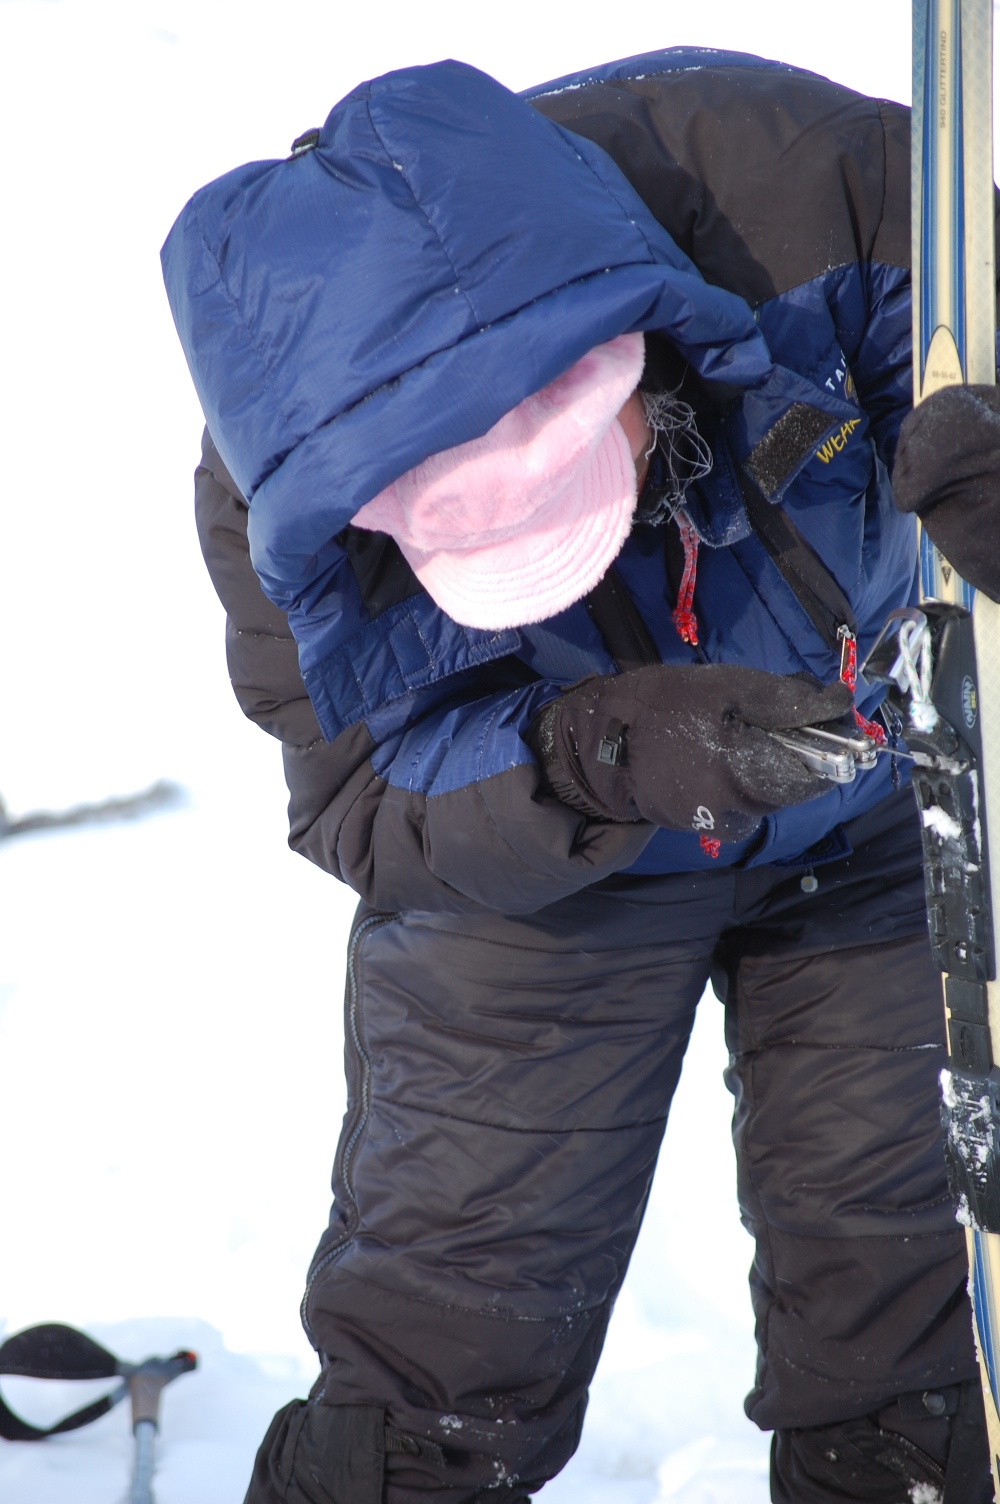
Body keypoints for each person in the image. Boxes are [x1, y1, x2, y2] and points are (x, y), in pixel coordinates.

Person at [161, 45, 1000, 1504]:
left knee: (908, 1312)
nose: (569, 557)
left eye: (575, 499)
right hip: (546, 878)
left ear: (630, 352)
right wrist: (593, 755)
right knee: (446, 1349)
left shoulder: (822, 191)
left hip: (868, 803)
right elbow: (363, 793)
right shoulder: (283, 487)